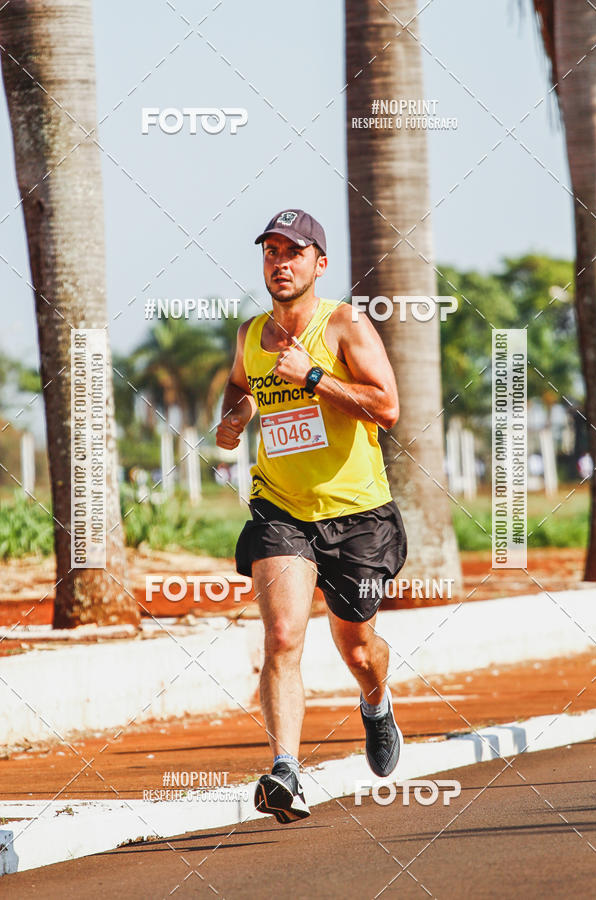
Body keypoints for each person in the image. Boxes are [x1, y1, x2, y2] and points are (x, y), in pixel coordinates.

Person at [216, 209, 407, 824]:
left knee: (356, 648)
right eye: (271, 251)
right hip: (281, 511)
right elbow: (240, 385)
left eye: (293, 252)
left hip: (358, 516)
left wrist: (316, 377)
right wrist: (236, 416)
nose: (280, 261)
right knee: (282, 635)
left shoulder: (346, 325)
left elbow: (386, 407)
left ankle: (375, 702)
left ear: (318, 265)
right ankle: (286, 771)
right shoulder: (250, 334)